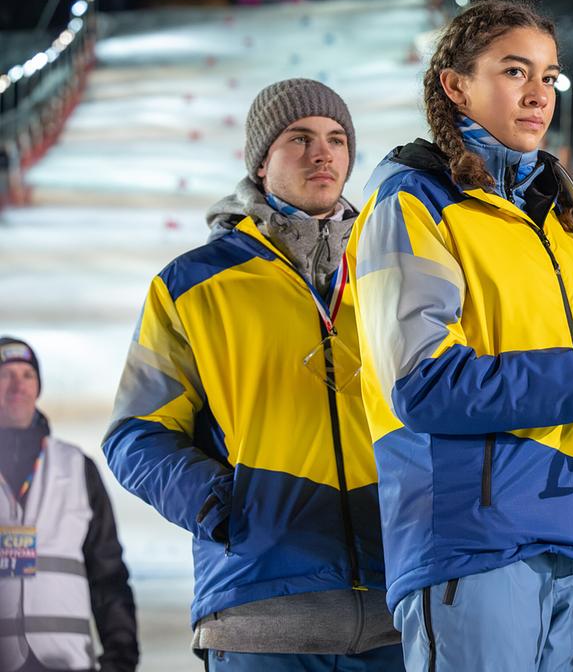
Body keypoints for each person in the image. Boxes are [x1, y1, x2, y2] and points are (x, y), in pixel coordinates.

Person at [347, 0, 573, 671]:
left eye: (550, 77)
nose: (539, 95)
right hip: (473, 542)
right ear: (456, 85)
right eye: (514, 71)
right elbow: (423, 383)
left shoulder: (561, 222)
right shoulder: (415, 204)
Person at [103, 79, 402, 670]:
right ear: (262, 162)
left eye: (337, 139)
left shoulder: (395, 265)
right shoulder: (192, 283)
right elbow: (135, 433)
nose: (324, 154)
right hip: (261, 609)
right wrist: (224, 506)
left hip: (401, 602)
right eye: (300, 138)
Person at [0, 338, 137, 672]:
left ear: (38, 387)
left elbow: (108, 573)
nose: (18, 384)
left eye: (27, 375)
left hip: (66, 659)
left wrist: (121, 658)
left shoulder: (77, 466)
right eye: (5, 375)